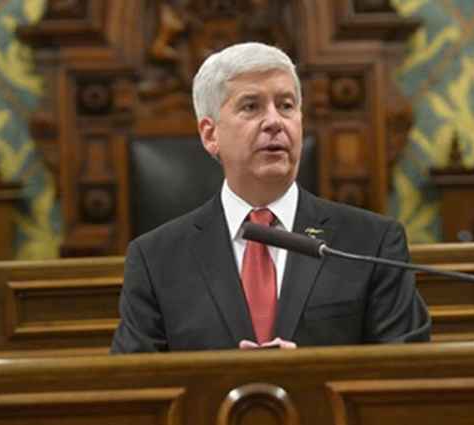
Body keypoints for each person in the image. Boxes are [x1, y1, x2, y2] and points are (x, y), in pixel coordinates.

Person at [111, 42, 430, 353]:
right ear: (210, 134)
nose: (275, 122)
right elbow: (133, 389)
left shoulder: (371, 244)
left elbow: (408, 374)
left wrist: (309, 374)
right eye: (251, 106)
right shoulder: (156, 259)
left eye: (286, 105)